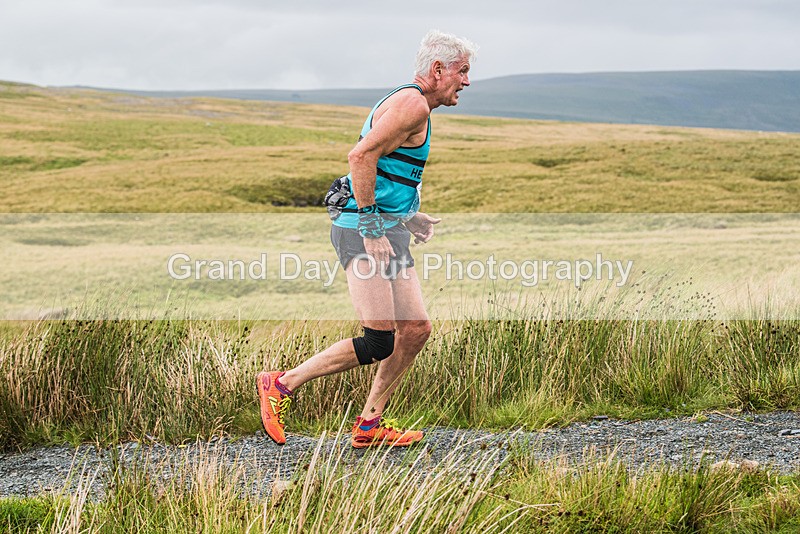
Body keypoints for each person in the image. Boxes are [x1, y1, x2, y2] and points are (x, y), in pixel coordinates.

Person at [257, 30, 477, 448]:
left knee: (415, 329)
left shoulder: (415, 105)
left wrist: (407, 215)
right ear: (437, 70)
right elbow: (360, 156)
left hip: (386, 228)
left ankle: (369, 425)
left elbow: (388, 170)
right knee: (378, 341)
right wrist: (372, 226)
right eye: (462, 71)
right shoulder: (412, 104)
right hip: (362, 230)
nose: (466, 81)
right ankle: (281, 384)